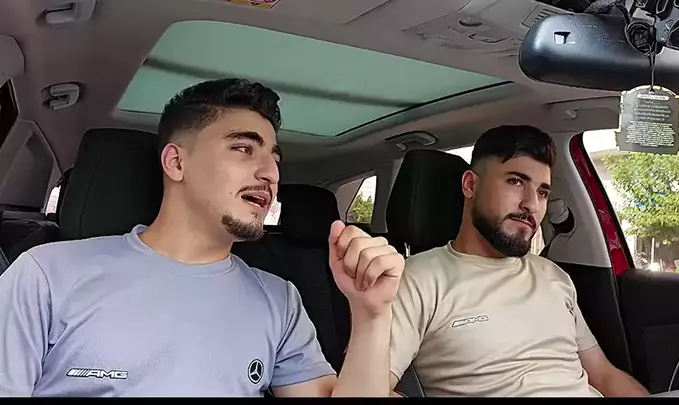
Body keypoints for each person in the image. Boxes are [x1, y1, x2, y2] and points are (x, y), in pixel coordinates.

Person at [0, 79, 404, 397]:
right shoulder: (46, 274)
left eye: (274, 158)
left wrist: (371, 314)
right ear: (176, 162)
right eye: (244, 149)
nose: (270, 173)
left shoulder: (279, 300)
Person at [388, 125, 649, 397]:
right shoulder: (417, 279)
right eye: (516, 182)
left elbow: (604, 376)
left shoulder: (553, 275)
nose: (532, 205)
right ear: (470, 185)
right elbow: (371, 386)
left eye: (543, 192)